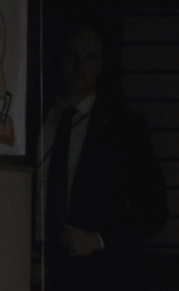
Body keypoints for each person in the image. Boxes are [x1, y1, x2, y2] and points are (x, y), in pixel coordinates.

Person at [35, 25, 167, 291]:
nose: (79, 65)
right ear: (60, 59)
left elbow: (154, 210)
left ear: (101, 65)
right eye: (72, 55)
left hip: (96, 271)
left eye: (90, 57)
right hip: (29, 261)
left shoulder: (125, 129)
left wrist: (97, 239)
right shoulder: (31, 121)